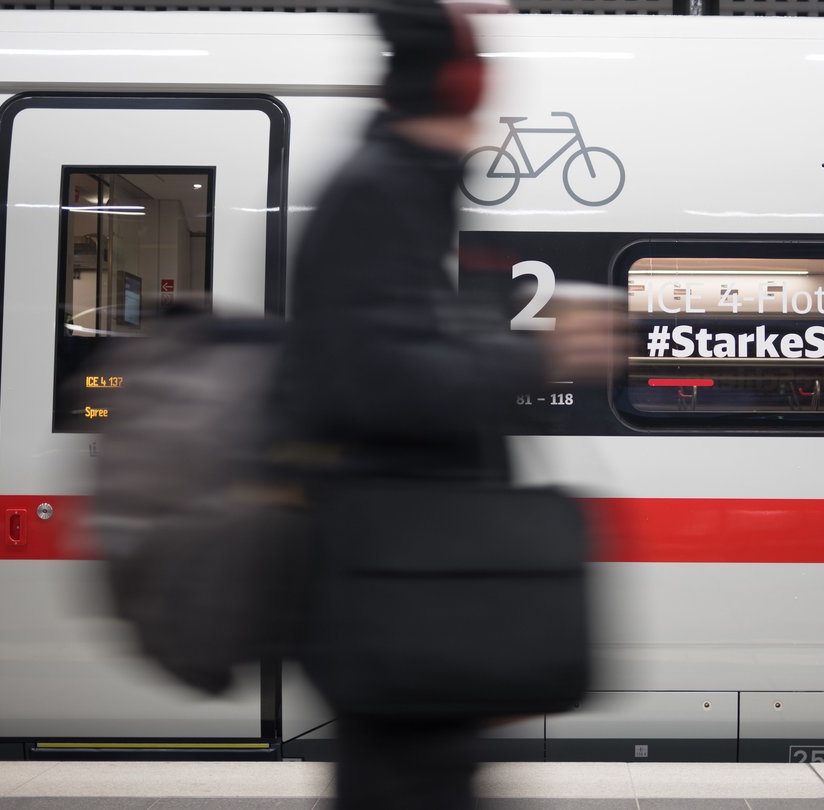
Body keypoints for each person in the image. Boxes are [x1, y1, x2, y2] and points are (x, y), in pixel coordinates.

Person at [270, 2, 623, 807]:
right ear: (455, 93)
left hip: (415, 581)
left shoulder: (399, 194)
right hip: (397, 585)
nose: (487, 125)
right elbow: (372, 377)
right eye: (478, 100)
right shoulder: (378, 194)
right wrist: (540, 353)